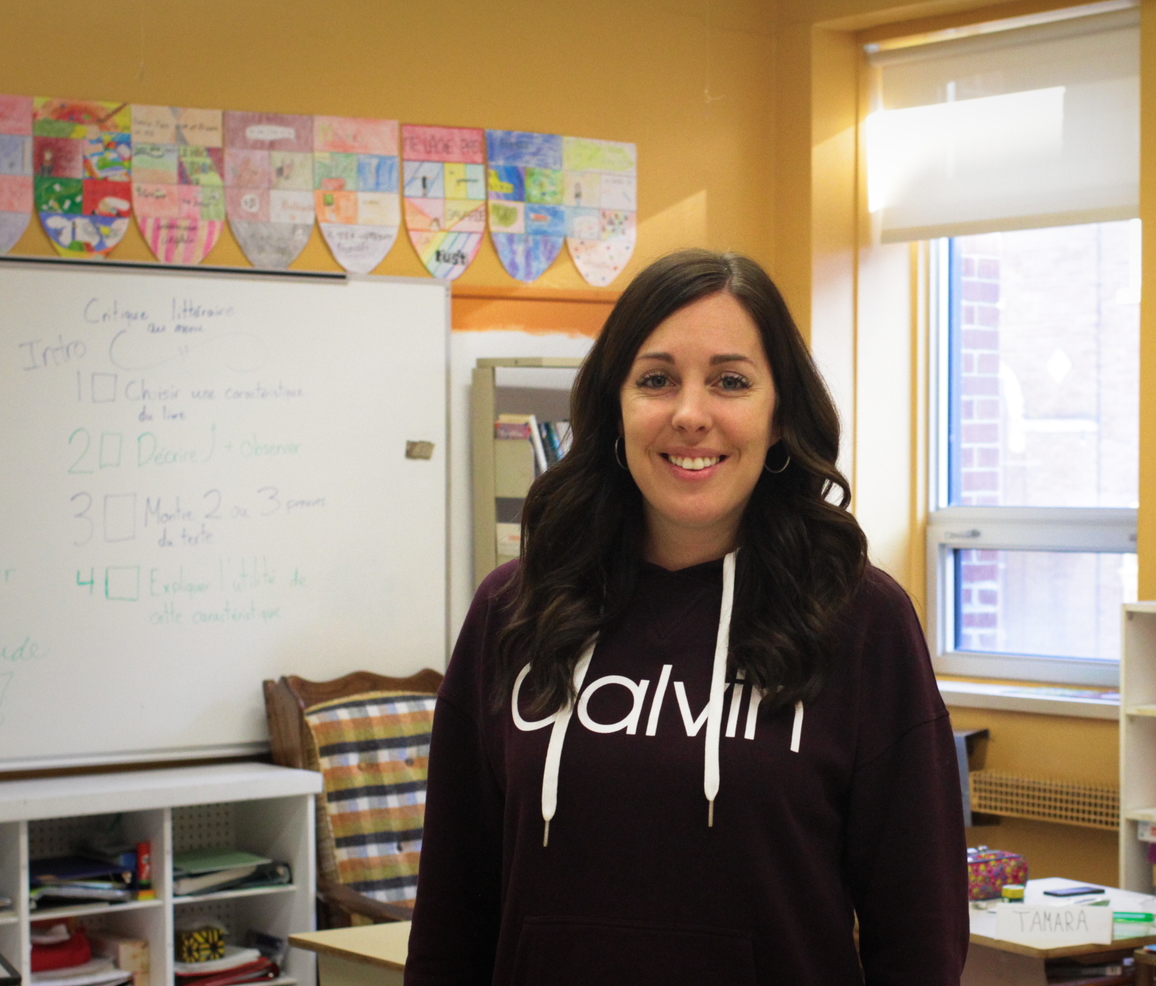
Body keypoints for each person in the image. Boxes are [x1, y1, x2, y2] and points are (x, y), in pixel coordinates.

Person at [406, 249, 968, 985]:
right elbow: (453, 913)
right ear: (615, 405)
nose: (690, 414)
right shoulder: (515, 609)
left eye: (730, 382)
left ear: (779, 414)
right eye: (657, 380)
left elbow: (917, 934)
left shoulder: (860, 620)